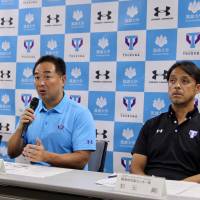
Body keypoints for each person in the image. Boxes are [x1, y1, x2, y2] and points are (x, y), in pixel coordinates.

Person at [7, 55, 96, 169]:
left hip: (67, 182)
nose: (41, 83)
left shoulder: (80, 113)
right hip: (34, 180)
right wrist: (20, 127)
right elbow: (11, 153)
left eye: (47, 77)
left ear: (63, 80)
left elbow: (82, 159)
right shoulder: (31, 110)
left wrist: (46, 157)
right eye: (37, 77)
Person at [130, 61, 200, 183]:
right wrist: (150, 185)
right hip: (150, 190)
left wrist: (177, 187)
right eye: (172, 81)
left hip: (187, 192)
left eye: (185, 81)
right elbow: (136, 167)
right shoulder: (152, 124)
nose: (177, 86)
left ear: (197, 88)